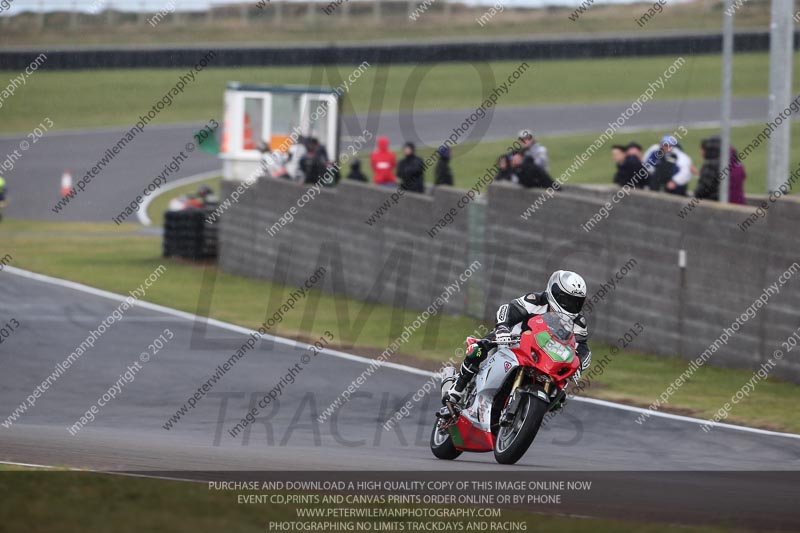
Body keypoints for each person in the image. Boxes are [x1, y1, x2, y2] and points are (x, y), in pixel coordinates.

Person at [444, 270, 592, 405]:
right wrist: (503, 327)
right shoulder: (535, 300)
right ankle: (457, 389)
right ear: (555, 293)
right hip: (513, 341)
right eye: (567, 300)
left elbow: (582, 347)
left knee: (559, 397)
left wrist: (577, 364)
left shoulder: (578, 322)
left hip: (545, 358)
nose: (571, 306)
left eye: (576, 302)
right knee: (478, 349)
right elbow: (509, 309)